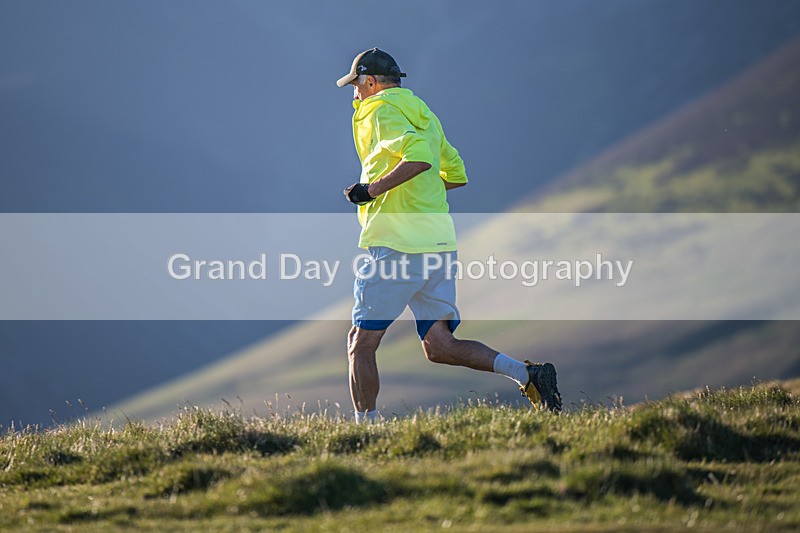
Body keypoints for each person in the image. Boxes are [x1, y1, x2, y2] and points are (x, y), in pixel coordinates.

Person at [337, 48, 561, 423]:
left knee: (360, 344)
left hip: (398, 245)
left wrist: (371, 190)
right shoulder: (424, 114)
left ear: (370, 82)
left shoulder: (380, 111)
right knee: (439, 345)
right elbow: (454, 174)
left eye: (355, 86)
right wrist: (417, 195)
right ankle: (528, 376)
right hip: (439, 245)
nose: (354, 95)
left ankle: (365, 432)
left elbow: (420, 157)